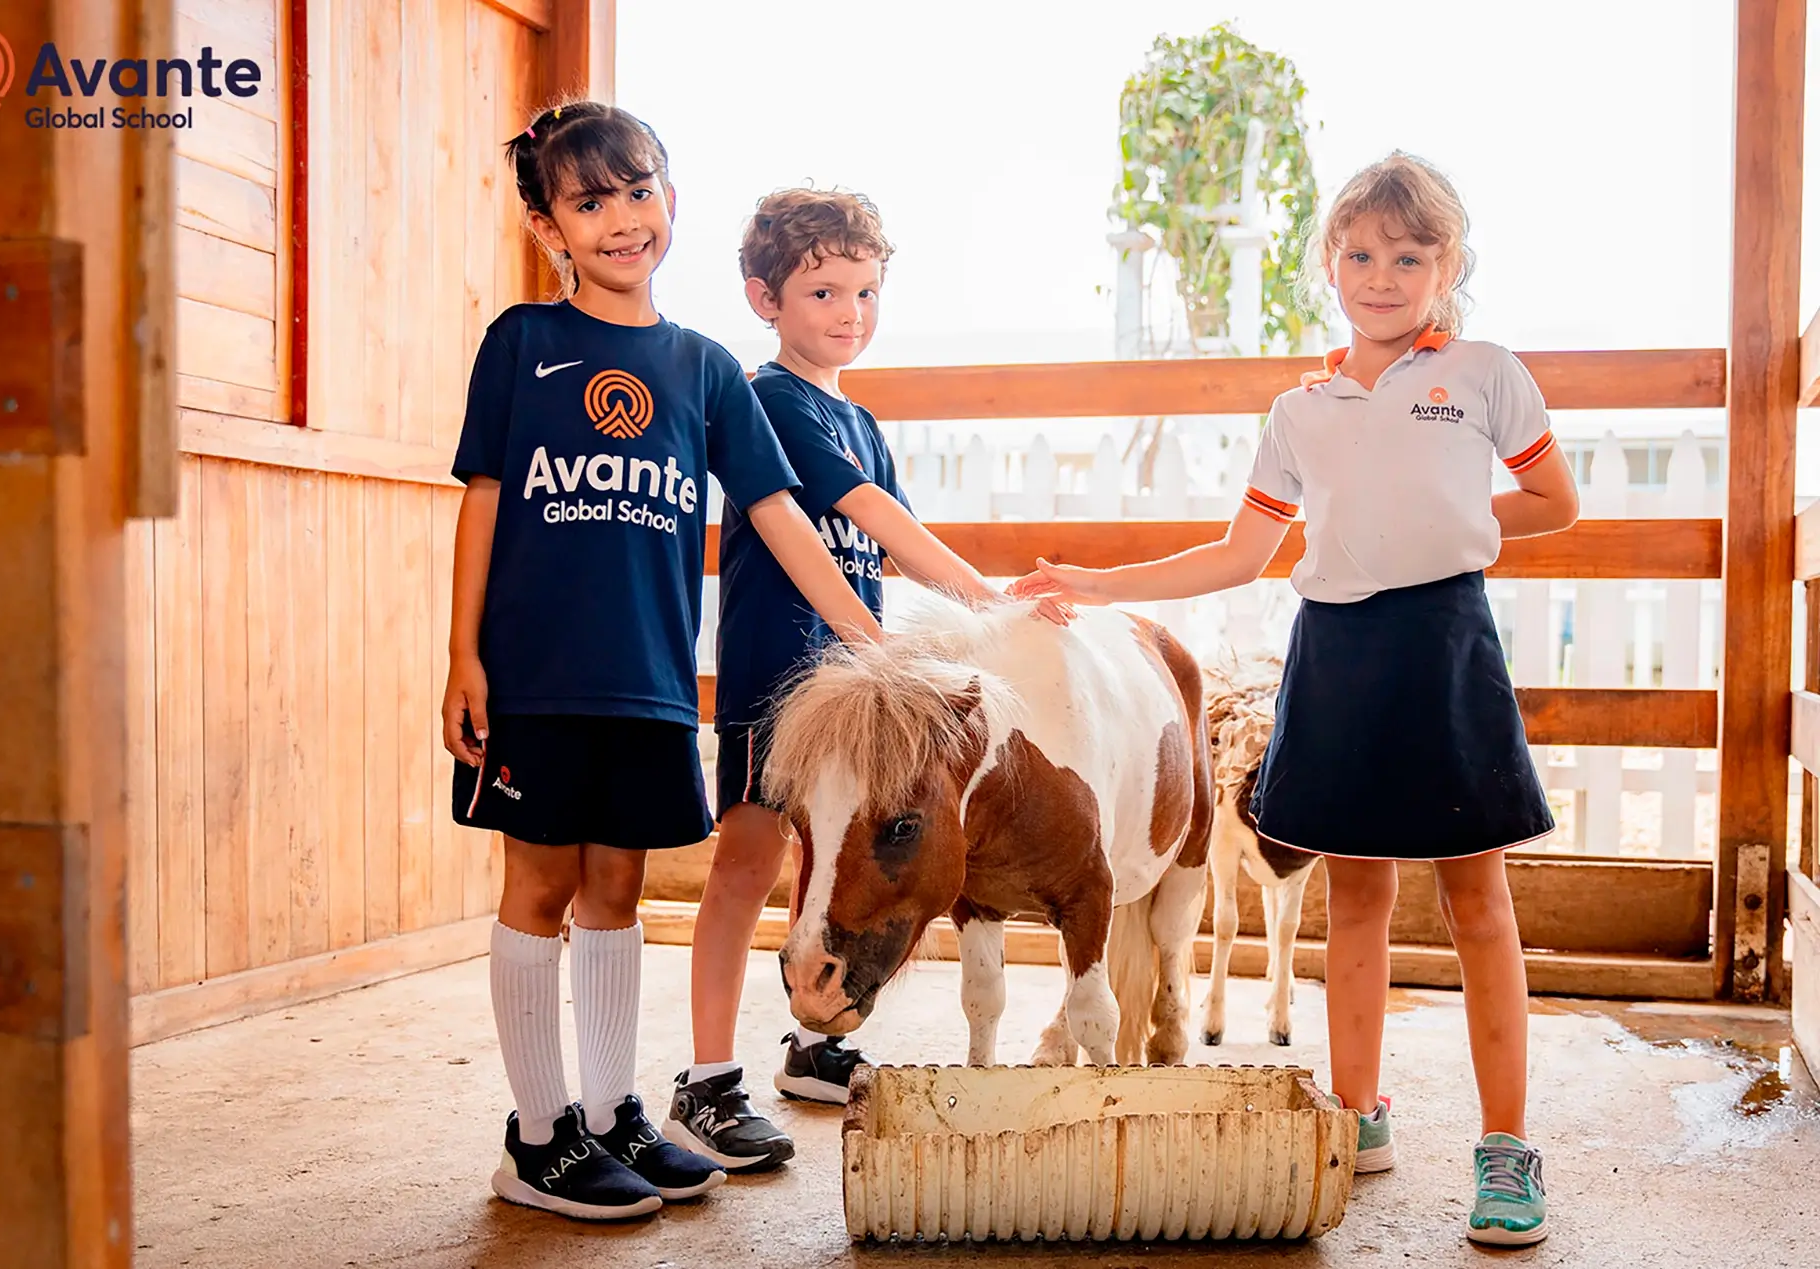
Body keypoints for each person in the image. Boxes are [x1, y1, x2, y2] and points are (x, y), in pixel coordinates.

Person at [1011, 152, 1576, 1249]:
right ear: (1329, 262)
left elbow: (1556, 497)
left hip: (1446, 642)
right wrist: (1094, 584)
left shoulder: (1485, 372)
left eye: (1409, 256)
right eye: (1360, 253)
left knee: (1480, 905)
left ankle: (1507, 1149)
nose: (1382, 274)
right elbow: (1240, 553)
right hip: (1339, 653)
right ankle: (1359, 1113)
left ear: (1446, 262)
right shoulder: (1300, 410)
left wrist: (1454, 531)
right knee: (1353, 899)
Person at [442, 102, 884, 1223]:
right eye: (590, 202)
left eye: (638, 192)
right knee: (539, 886)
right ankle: (537, 1137)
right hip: (536, 677)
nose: (621, 219)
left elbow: (782, 514)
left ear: (670, 202)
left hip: (647, 680)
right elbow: (485, 501)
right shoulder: (523, 345)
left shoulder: (701, 371)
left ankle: (607, 1110)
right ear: (551, 226)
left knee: (620, 888)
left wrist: (876, 640)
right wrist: (463, 656)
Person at [659, 188, 1069, 1172]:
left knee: (829, 871)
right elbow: (865, 511)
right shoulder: (770, 399)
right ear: (766, 297)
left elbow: (884, 553)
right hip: (779, 682)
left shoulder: (862, 416)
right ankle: (707, 1083)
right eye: (823, 291)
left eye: (866, 291)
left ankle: (815, 1043)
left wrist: (982, 613)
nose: (849, 312)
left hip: (858, 693)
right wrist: (981, 589)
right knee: (747, 867)